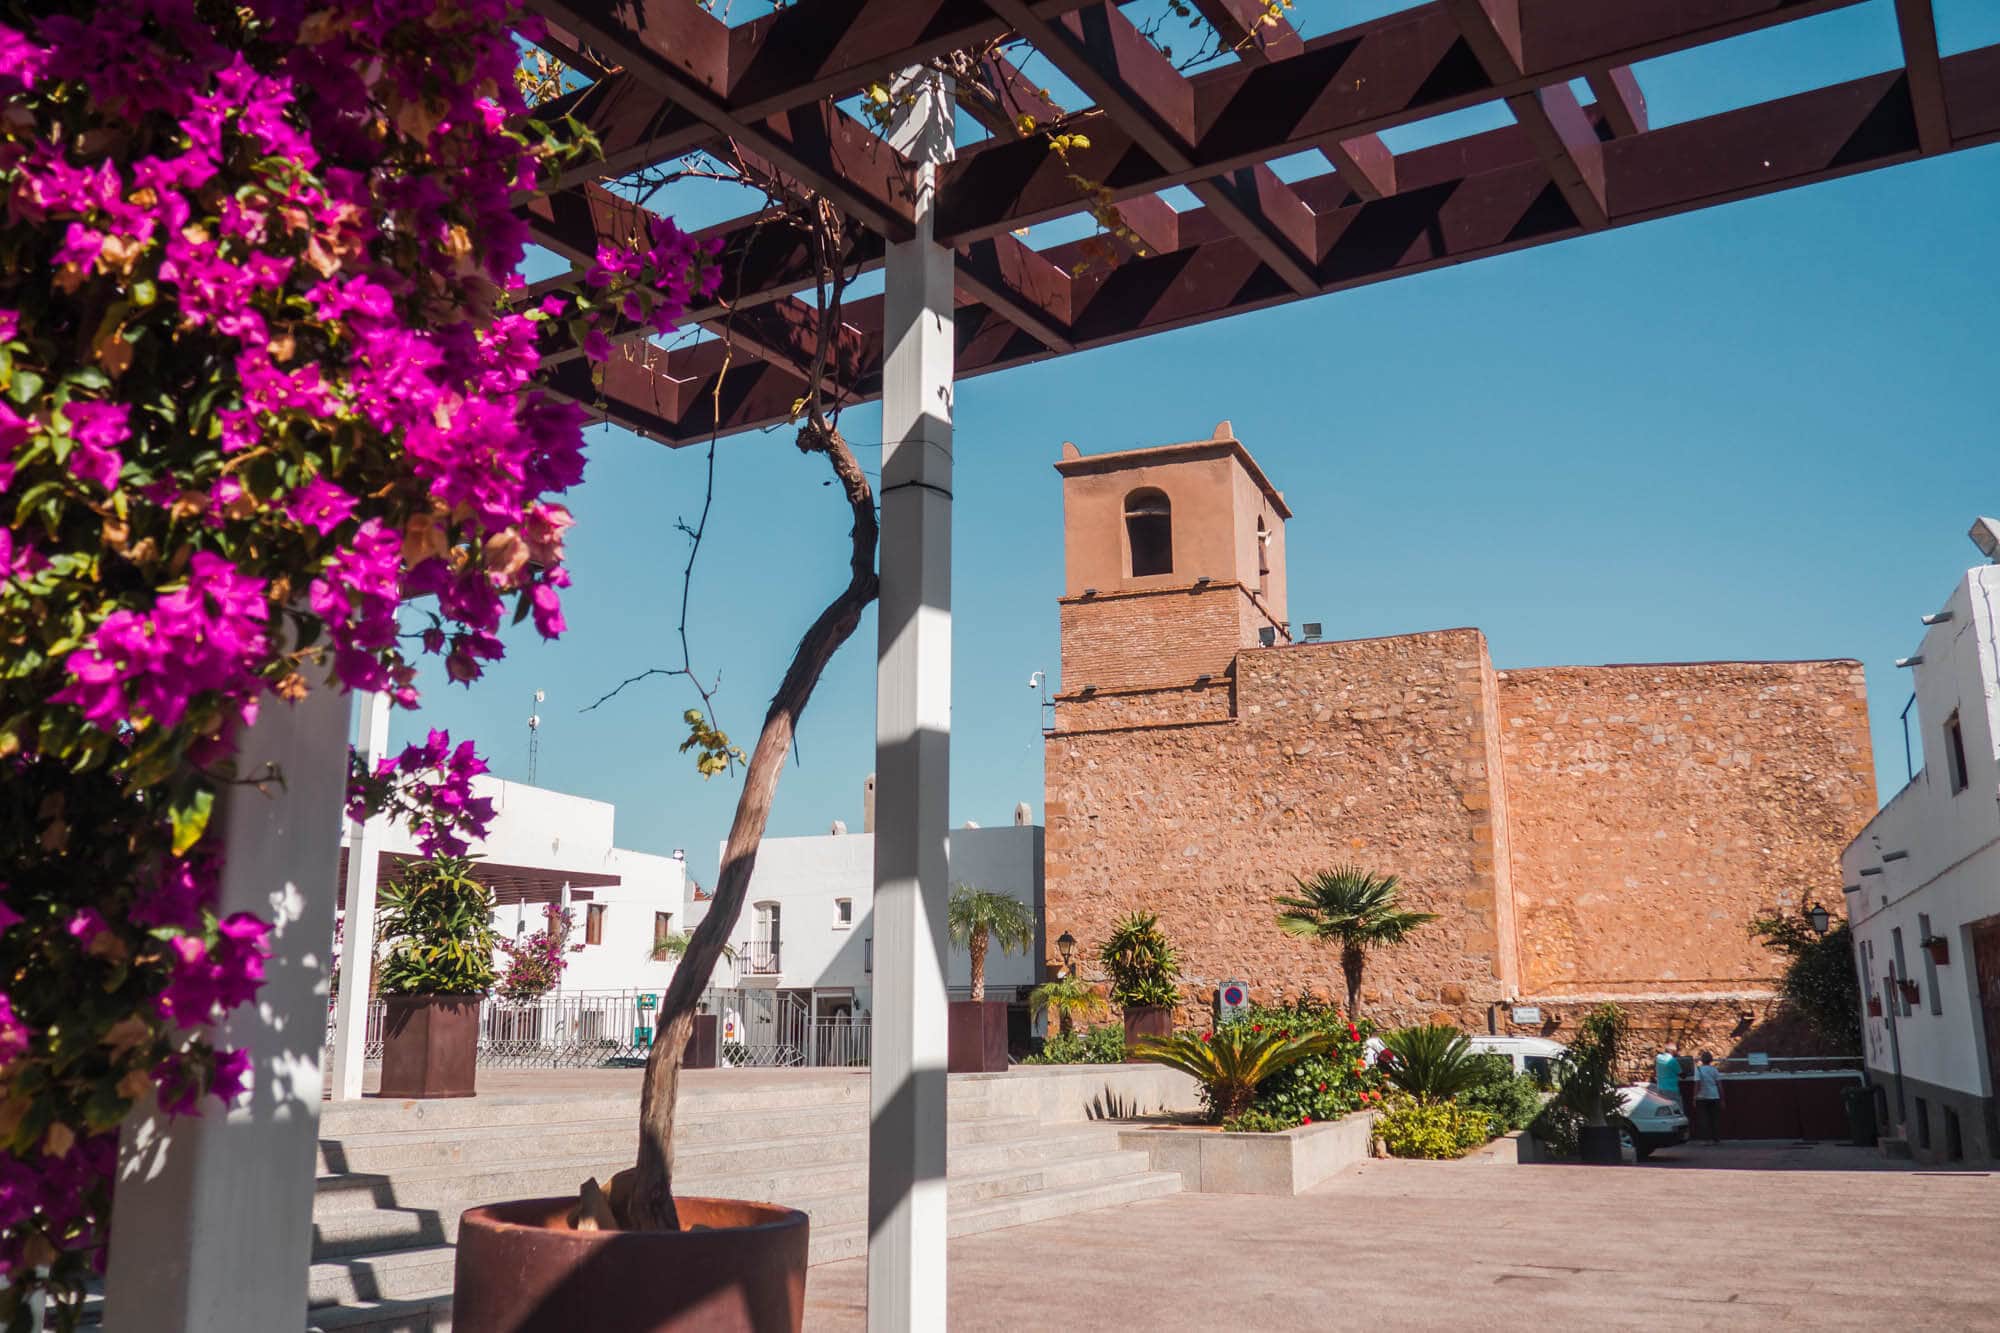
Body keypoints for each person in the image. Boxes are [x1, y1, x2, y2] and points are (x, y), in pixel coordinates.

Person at [1692, 1050, 1724, 1144]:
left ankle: (1706, 1139)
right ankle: (1716, 1139)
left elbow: (1697, 1084)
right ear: (1711, 1060)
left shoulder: (1698, 1070)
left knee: (1704, 1119)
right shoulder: (1714, 1070)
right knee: (1715, 1118)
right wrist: (1722, 1099)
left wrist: (1694, 1097)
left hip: (1702, 1097)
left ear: (1702, 1060)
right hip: (1714, 1096)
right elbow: (1719, 1085)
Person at [1654, 1040, 1682, 1110]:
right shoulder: (1672, 1061)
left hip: (1660, 1087)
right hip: (1672, 1089)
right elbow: (1681, 1074)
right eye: (1675, 1051)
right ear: (1672, 1051)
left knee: (1664, 1108)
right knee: (1677, 1108)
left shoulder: (1658, 1058)